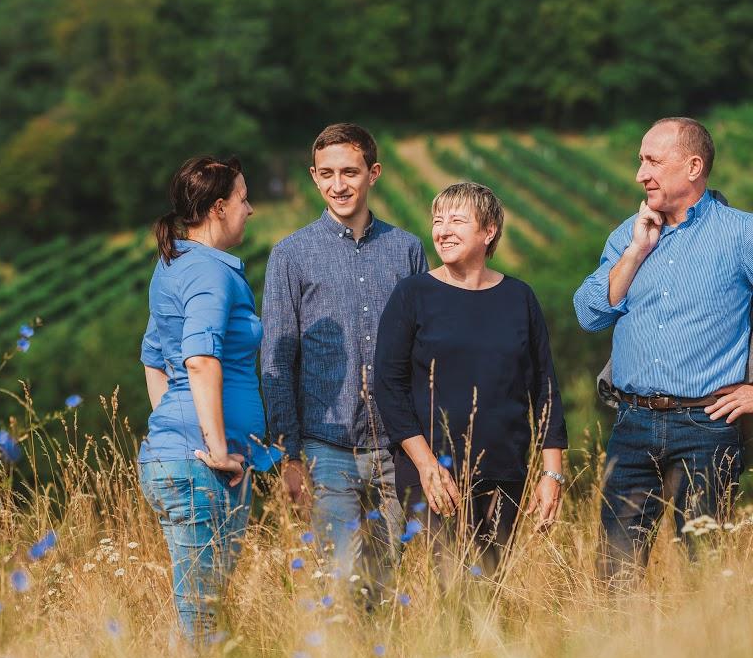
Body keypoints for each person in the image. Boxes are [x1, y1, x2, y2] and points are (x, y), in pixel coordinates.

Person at [573, 117, 753, 579]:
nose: (640, 174)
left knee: (705, 571)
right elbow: (589, 313)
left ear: (693, 166)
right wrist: (636, 251)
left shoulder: (741, 234)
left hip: (709, 427)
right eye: (640, 161)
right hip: (632, 424)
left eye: (652, 161)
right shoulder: (625, 236)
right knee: (615, 570)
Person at [261, 123, 427, 602]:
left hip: (396, 445)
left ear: (372, 173)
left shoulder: (407, 250)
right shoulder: (289, 256)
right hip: (325, 446)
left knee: (385, 580)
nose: (340, 184)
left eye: (350, 172)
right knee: (340, 579)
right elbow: (277, 356)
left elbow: (420, 353)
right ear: (314, 177)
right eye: (328, 173)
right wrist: (287, 454)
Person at [375, 182, 568, 571]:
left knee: (487, 589)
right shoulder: (412, 295)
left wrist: (552, 472)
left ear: (489, 230)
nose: (442, 230)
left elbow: (544, 386)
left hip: (503, 470)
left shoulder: (520, 298)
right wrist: (427, 466)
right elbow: (388, 386)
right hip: (431, 473)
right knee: (453, 588)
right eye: (437, 221)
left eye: (457, 220)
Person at [138, 155, 263, 641]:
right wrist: (212, 447)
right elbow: (199, 359)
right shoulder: (209, 273)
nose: (249, 209)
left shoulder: (173, 266)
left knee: (205, 603)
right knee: (202, 612)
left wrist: (174, 425)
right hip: (204, 465)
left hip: (181, 457)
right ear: (217, 208)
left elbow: (152, 359)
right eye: (243, 198)